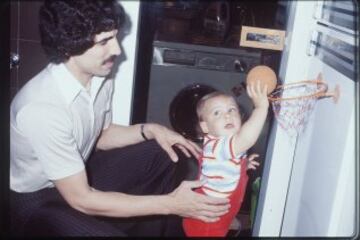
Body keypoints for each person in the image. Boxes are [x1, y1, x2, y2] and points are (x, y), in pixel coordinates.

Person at [9, 0, 230, 237]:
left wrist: (150, 129)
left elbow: (101, 135)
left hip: (76, 173)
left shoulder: (98, 77)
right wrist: (171, 204)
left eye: (114, 37)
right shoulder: (41, 107)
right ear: (68, 46)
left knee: (163, 151)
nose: (116, 50)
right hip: (36, 200)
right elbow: (82, 199)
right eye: (104, 41)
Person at [183, 83, 268, 237]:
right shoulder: (222, 146)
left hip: (209, 216)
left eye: (232, 110)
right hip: (208, 226)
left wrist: (242, 165)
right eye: (217, 113)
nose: (227, 115)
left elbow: (222, 167)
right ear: (205, 127)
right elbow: (247, 138)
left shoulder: (218, 143)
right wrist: (261, 108)